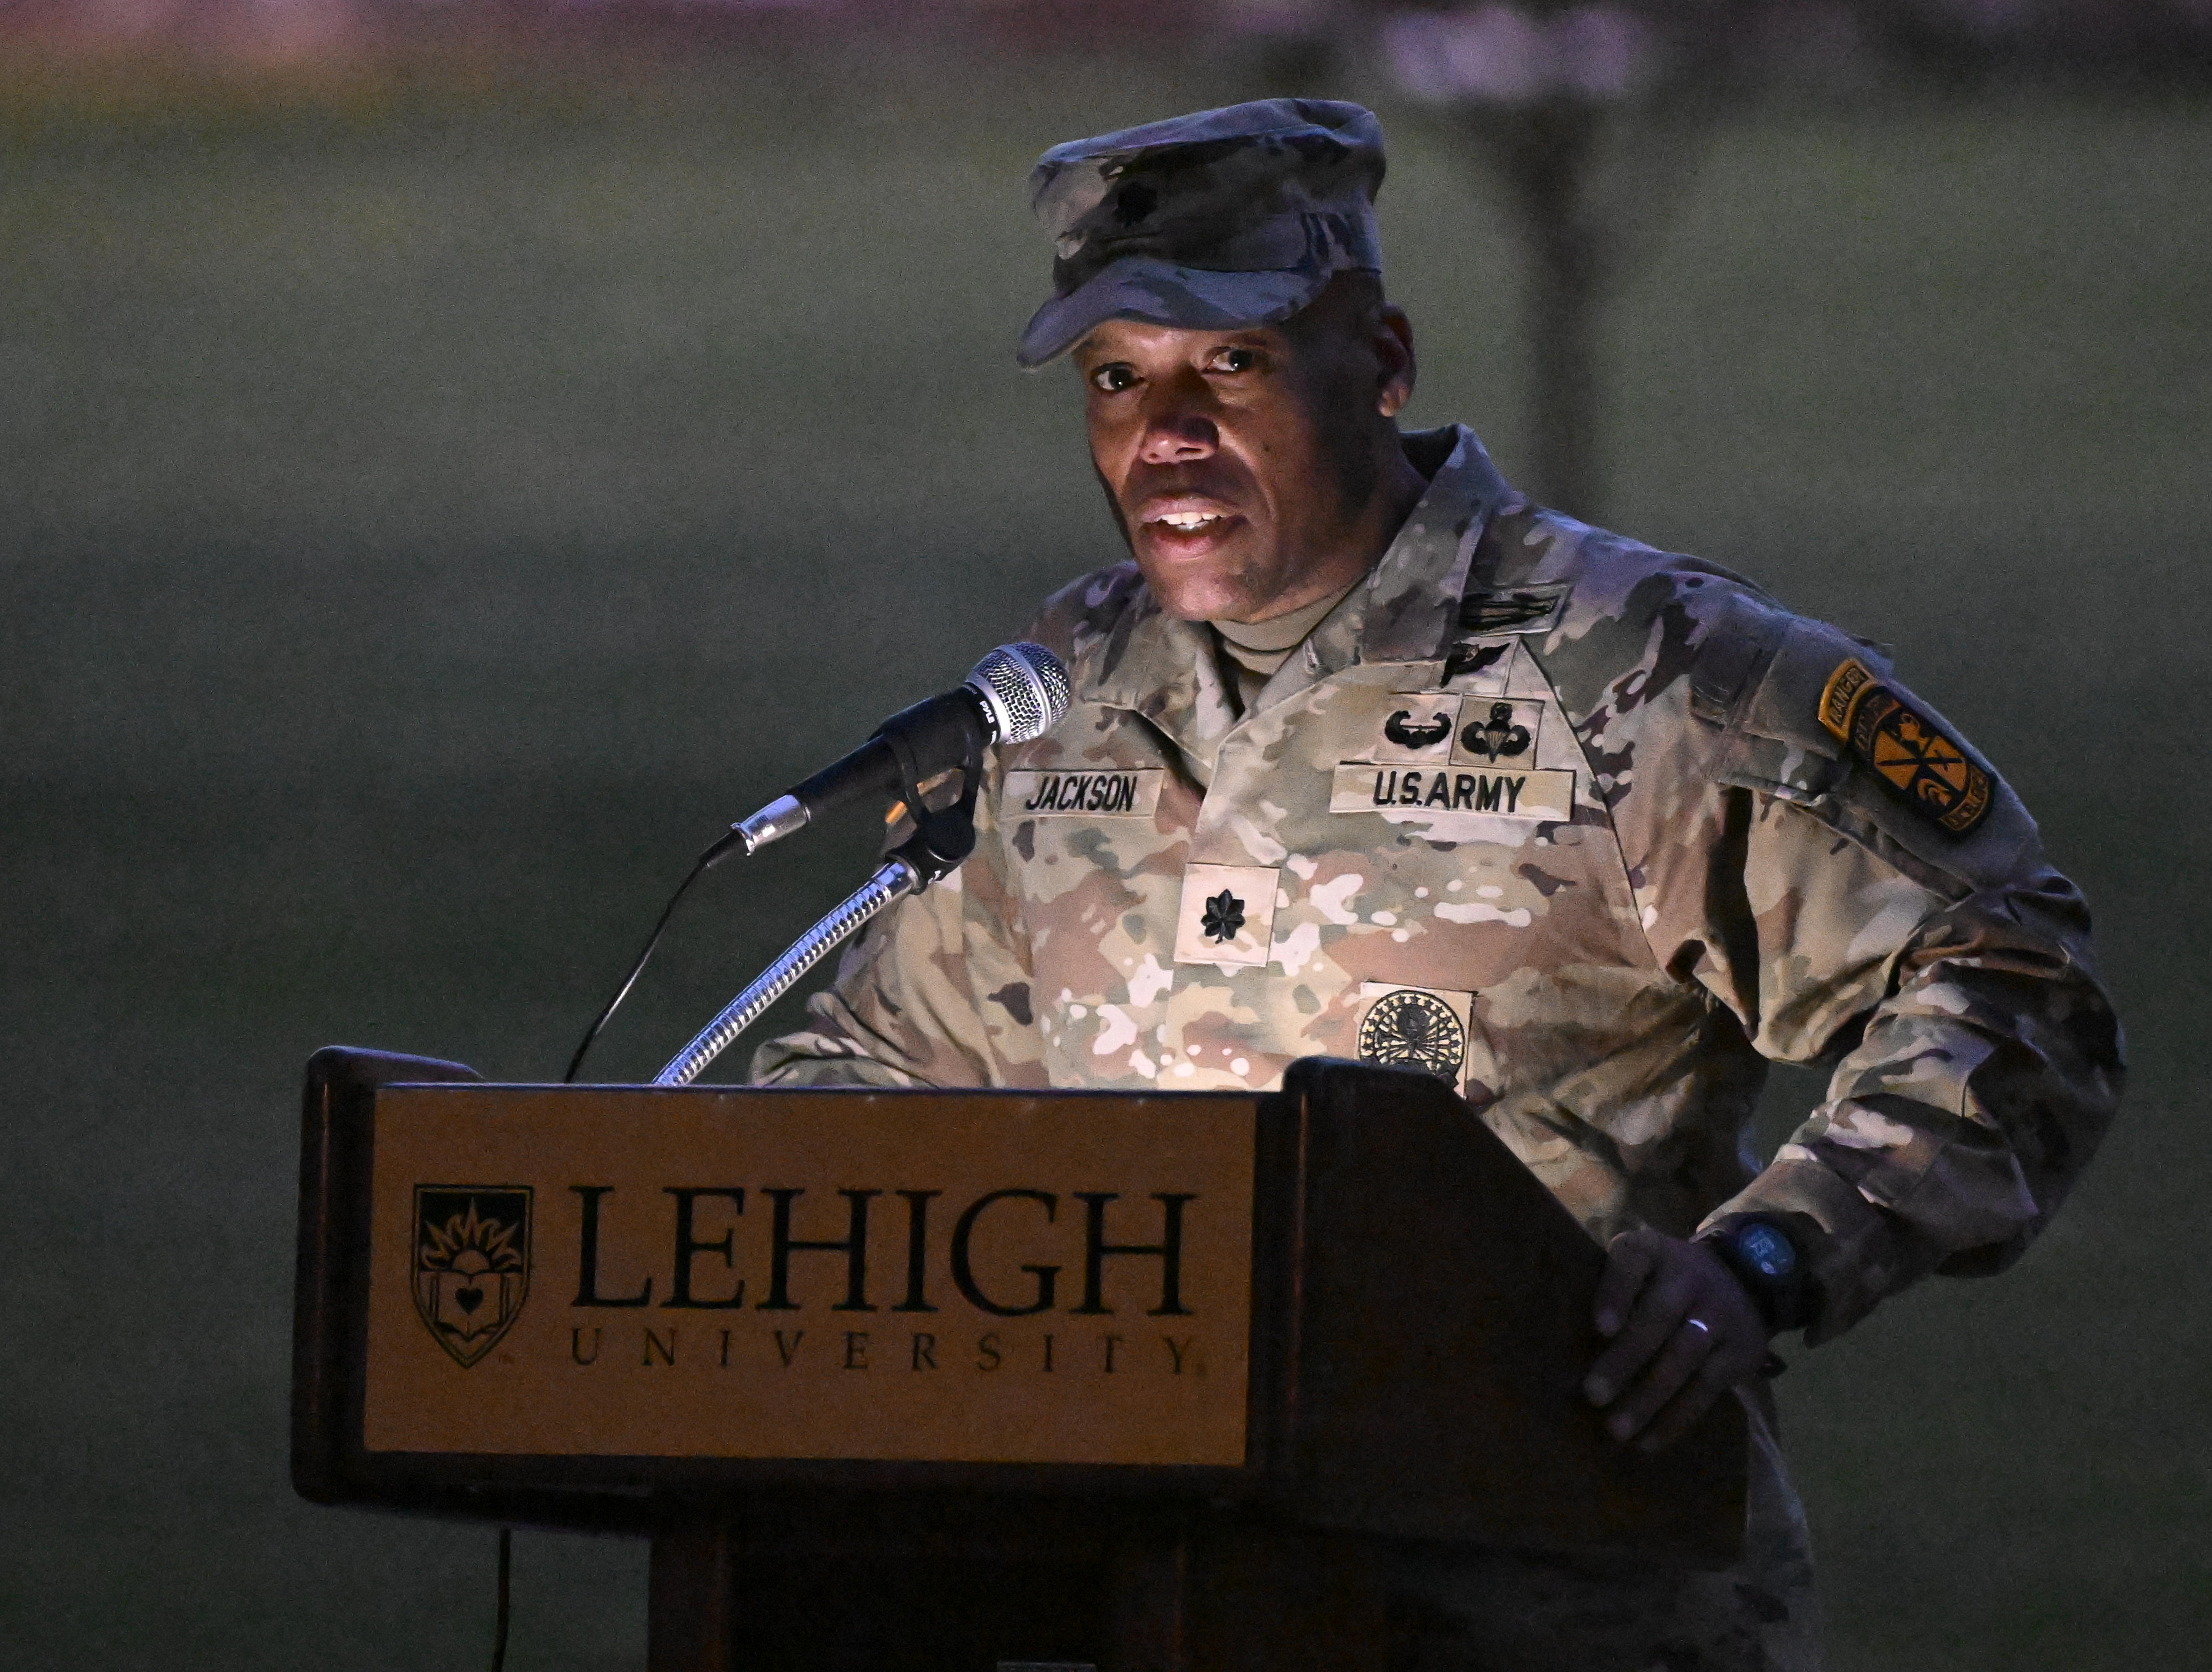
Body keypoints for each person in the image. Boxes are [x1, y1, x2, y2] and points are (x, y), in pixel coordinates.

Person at [752, 98, 2121, 1670]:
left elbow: (2010, 971)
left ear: (1384, 361)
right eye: (1118, 380)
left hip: (1563, 1607)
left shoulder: (1643, 671)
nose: (1165, 436)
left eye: (1233, 366)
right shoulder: (1067, 692)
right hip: (1156, 1601)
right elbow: (873, 1067)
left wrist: (1772, 1259)